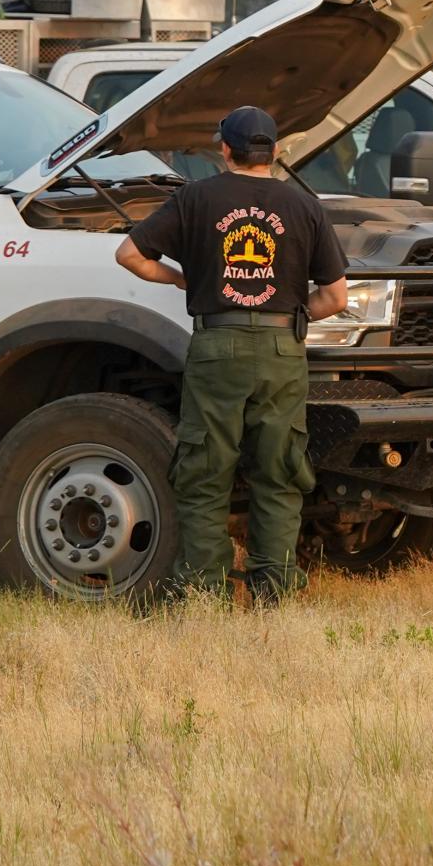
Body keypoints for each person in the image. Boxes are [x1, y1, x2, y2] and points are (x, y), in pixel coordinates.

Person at [116, 105, 347, 599]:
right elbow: (336, 297)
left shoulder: (196, 198)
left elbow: (129, 255)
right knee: (280, 471)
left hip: (216, 345)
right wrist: (288, 316)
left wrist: (183, 279)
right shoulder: (304, 205)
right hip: (284, 347)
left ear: (224, 149)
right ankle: (274, 588)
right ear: (276, 151)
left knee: (204, 471)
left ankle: (204, 588)